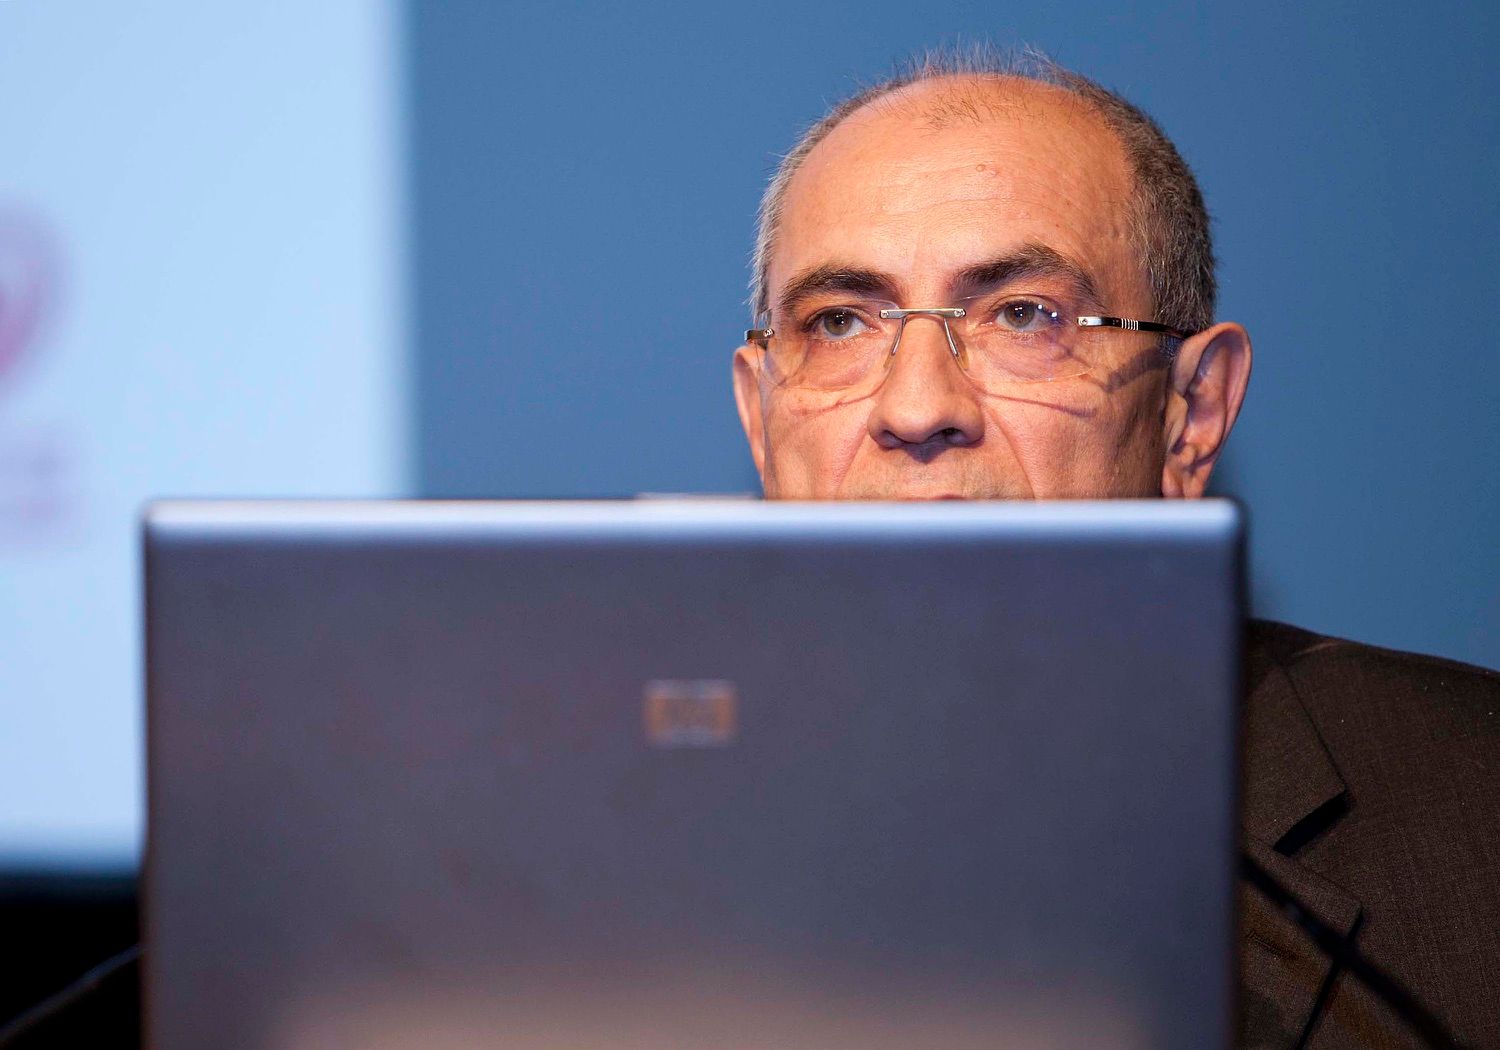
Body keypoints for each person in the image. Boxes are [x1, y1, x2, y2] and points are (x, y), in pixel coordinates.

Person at [730, 50, 1500, 1049]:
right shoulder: (560, 856)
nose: (917, 407)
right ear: (760, 418)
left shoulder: (1475, 811)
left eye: (1023, 316)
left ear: (1192, 412)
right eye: (839, 323)